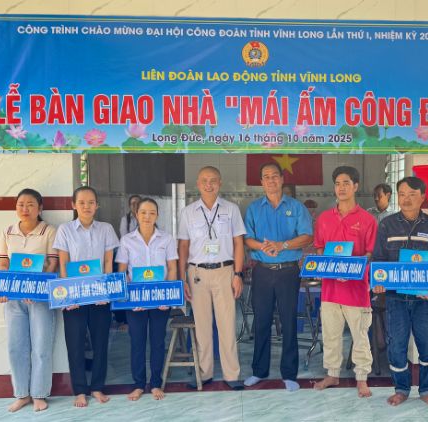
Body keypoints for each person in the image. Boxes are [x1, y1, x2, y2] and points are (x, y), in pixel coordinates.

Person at [371, 177, 428, 409]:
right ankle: (401, 389)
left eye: (412, 194)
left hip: (425, 299)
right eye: (402, 194)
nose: (406, 198)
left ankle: (427, 390)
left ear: (422, 196)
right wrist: (378, 282)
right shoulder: (387, 225)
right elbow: (379, 260)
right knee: (396, 345)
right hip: (395, 298)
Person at [243, 163, 313, 391]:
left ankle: (289, 374)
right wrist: (264, 247)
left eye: (275, 176)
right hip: (262, 270)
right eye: (266, 177)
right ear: (261, 182)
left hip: (288, 271)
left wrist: (282, 245)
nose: (271, 180)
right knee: (261, 321)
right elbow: (248, 239)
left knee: (289, 321)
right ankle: (259, 371)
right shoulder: (254, 208)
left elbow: (307, 237)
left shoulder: (296, 207)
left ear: (282, 179)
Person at [177, 166, 245, 390]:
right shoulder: (188, 212)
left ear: (220, 183)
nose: (209, 184)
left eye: (213, 180)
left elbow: (238, 243)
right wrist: (182, 278)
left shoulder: (231, 209)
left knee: (227, 325)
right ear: (198, 184)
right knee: (202, 327)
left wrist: (238, 274)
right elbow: (183, 246)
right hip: (196, 273)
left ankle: (232, 374)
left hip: (225, 271)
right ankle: (204, 373)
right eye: (204, 180)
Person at [313, 166, 377, 398]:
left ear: (355, 186)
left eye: (346, 183)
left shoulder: (367, 220)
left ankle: (362, 377)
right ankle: (332, 373)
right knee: (330, 334)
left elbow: (371, 253)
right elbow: (319, 247)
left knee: (360, 335)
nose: (341, 187)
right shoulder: (324, 218)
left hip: (356, 290)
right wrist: (329, 266)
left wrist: (351, 270)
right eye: (338, 183)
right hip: (330, 289)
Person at [53, 186, 120, 407]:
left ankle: (97, 388)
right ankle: (80, 390)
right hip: (75, 297)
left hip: (99, 295)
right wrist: (67, 297)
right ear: (74, 205)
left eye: (91, 202)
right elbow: (63, 263)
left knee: (101, 343)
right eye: (81, 202)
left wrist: (107, 291)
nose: (86, 206)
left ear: (97, 205)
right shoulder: (65, 230)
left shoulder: (106, 229)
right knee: (75, 344)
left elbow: (108, 262)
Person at [0, 188, 58, 413]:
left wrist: (38, 288)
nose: (25, 208)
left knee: (41, 346)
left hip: (39, 297)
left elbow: (52, 264)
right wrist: (2, 288)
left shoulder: (48, 231)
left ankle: (39, 394)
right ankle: (21, 394)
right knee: (16, 347)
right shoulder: (7, 232)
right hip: (13, 298)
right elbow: (3, 264)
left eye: (30, 204)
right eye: (21, 204)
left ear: (40, 208)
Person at [116, 197, 177, 401]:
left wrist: (167, 295)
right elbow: (122, 272)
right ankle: (139, 384)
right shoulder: (127, 241)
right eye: (143, 212)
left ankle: (156, 383)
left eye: (152, 212)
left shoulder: (167, 239)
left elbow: (172, 269)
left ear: (157, 215)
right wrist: (133, 299)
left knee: (158, 341)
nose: (147, 216)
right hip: (136, 301)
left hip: (160, 298)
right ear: (136, 214)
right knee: (137, 342)